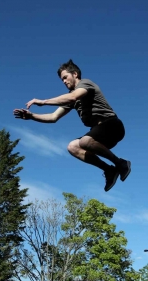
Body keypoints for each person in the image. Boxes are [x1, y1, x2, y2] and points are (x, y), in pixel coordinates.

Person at [13, 59, 131, 192]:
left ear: (75, 74)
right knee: (73, 147)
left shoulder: (85, 83)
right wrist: (32, 116)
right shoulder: (70, 98)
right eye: (61, 80)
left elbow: (74, 97)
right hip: (100, 134)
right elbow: (53, 117)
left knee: (85, 141)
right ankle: (109, 170)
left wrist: (43, 101)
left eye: (65, 77)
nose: (64, 81)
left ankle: (121, 163)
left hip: (113, 125)